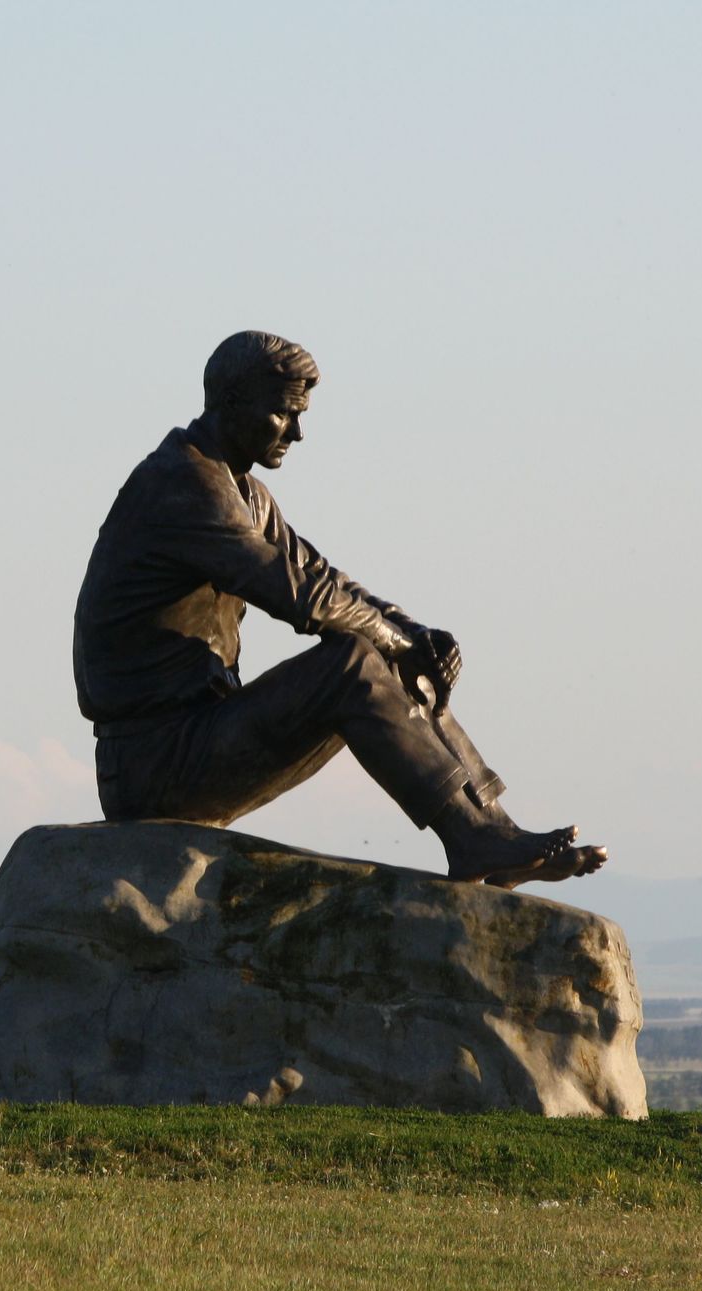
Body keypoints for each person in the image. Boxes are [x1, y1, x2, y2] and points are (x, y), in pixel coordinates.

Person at [72, 330, 606, 887]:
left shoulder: (241, 490)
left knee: (383, 649)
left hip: (191, 740)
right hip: (154, 764)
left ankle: (492, 829)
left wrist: (411, 634)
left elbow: (320, 575)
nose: (299, 432)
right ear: (231, 404)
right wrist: (396, 639)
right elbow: (298, 596)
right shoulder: (181, 484)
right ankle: (474, 839)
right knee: (351, 662)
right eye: (283, 413)